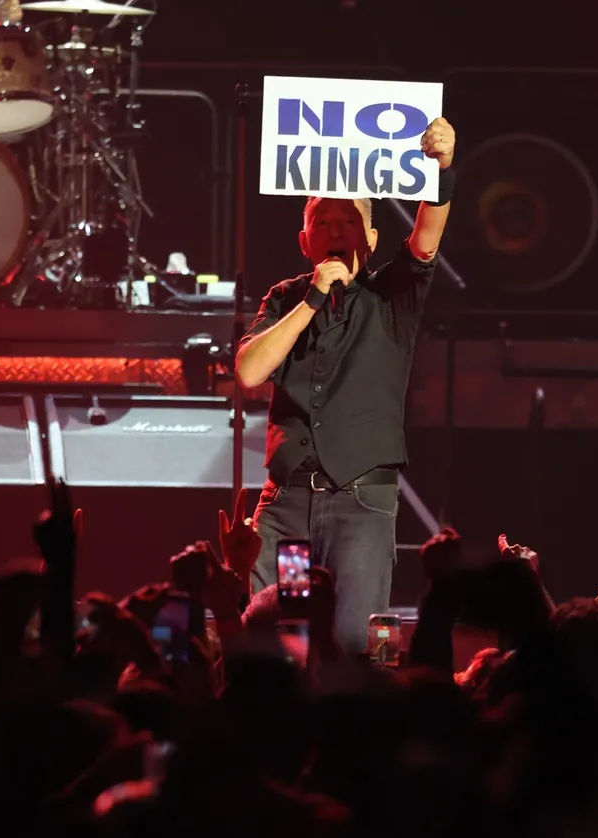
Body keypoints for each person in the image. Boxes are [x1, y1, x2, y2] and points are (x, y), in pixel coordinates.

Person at [235, 116, 457, 652]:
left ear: (372, 237)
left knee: (358, 640)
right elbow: (249, 371)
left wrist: (443, 169)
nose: (335, 231)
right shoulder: (285, 299)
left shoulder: (392, 295)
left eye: (349, 220)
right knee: (283, 637)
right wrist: (311, 300)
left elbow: (428, 233)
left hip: (359, 505)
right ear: (304, 239)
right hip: (288, 507)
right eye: (323, 220)